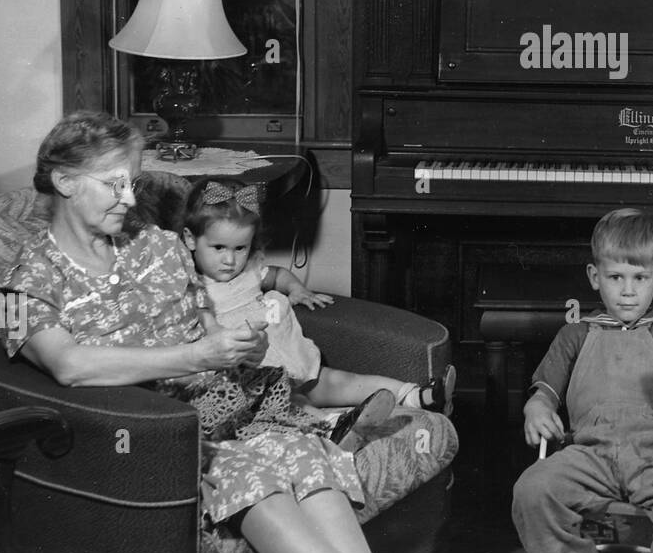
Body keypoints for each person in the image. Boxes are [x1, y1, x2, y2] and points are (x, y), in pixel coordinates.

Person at [0, 112, 447, 553]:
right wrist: (195, 356)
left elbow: (207, 322)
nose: (130, 199)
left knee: (303, 455)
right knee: (254, 475)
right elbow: (68, 366)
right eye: (115, 184)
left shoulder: (157, 244)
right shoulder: (25, 283)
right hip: (156, 435)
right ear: (65, 181)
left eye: (132, 182)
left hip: (234, 409)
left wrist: (236, 347)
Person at [511, 208, 653, 553]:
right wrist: (536, 409)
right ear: (595, 277)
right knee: (531, 491)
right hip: (588, 454)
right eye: (615, 277)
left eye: (640, 278)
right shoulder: (576, 333)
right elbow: (544, 393)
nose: (628, 292)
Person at [183, 176, 455, 447]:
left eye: (240, 248)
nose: (230, 260)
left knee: (343, 381)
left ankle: (417, 395)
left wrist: (297, 289)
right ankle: (334, 428)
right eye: (218, 248)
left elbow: (278, 275)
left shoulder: (250, 271)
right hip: (256, 382)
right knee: (295, 403)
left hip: (292, 359)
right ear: (191, 240)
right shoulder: (191, 287)